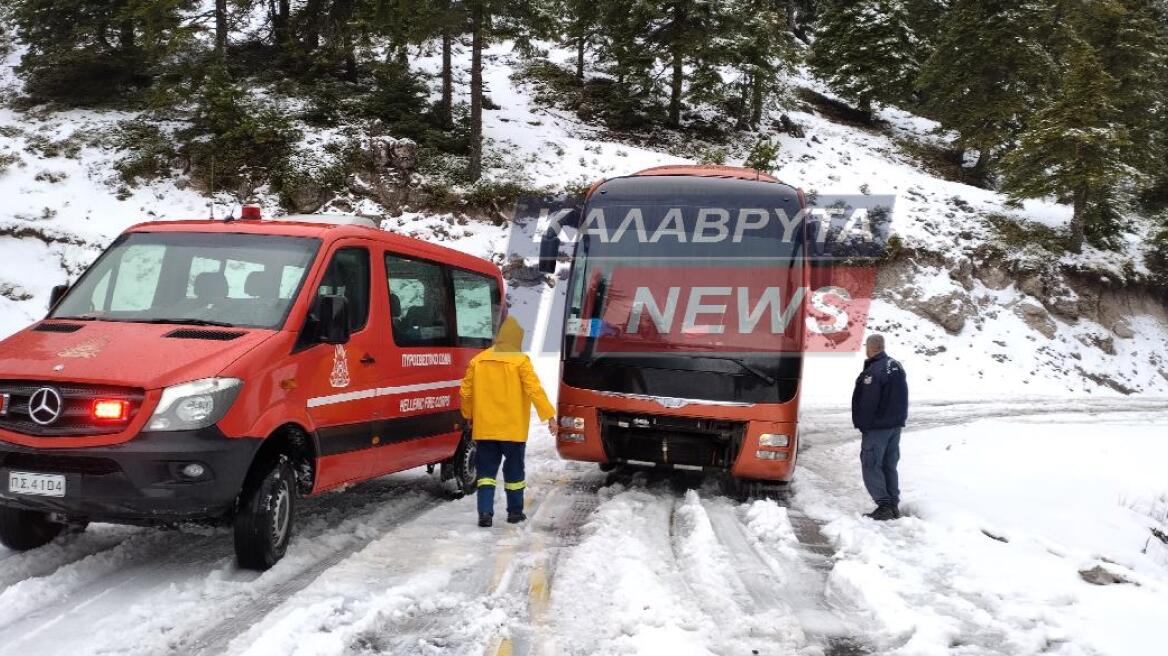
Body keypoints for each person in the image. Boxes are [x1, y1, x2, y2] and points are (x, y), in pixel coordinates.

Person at [460, 316, 556, 527]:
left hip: (485, 429)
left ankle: (484, 513)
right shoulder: (520, 361)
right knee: (514, 473)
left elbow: (465, 392)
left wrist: (468, 416)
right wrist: (549, 416)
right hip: (513, 430)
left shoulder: (478, 360)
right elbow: (534, 390)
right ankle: (515, 513)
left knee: (485, 474)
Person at [851, 334, 909, 521]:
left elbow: (868, 402)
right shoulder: (896, 365)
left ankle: (884, 504)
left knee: (871, 464)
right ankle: (892, 504)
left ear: (871, 347)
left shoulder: (875, 371)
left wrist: (863, 425)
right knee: (889, 465)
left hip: (878, 428)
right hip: (894, 426)